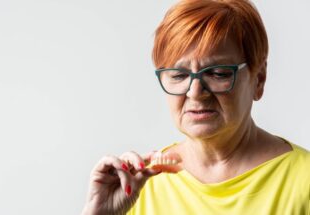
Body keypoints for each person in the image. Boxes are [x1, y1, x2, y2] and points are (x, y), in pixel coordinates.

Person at [82, 0, 310, 214]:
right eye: (179, 75)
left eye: (217, 73)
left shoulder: (304, 181)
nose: (195, 92)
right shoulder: (137, 185)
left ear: (258, 79)